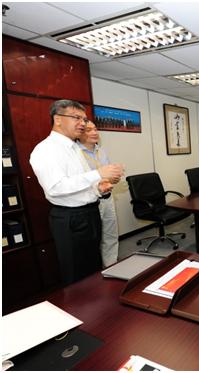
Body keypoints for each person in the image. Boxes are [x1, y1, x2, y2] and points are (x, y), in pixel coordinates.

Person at [30, 100, 124, 285]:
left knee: (91, 267)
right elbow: (56, 188)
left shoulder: (73, 148)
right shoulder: (46, 150)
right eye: (76, 118)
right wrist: (97, 174)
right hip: (71, 218)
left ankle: (97, 309)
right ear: (58, 119)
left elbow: (77, 184)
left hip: (89, 213)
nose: (82, 123)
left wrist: (98, 189)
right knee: (76, 273)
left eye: (84, 118)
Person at [77, 122, 120, 268]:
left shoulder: (101, 151)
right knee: (93, 237)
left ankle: (111, 265)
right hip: (91, 201)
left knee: (110, 234)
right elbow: (79, 181)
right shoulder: (76, 153)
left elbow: (109, 174)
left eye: (95, 129)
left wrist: (115, 176)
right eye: (89, 130)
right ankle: (95, 269)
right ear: (80, 132)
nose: (95, 132)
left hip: (107, 197)